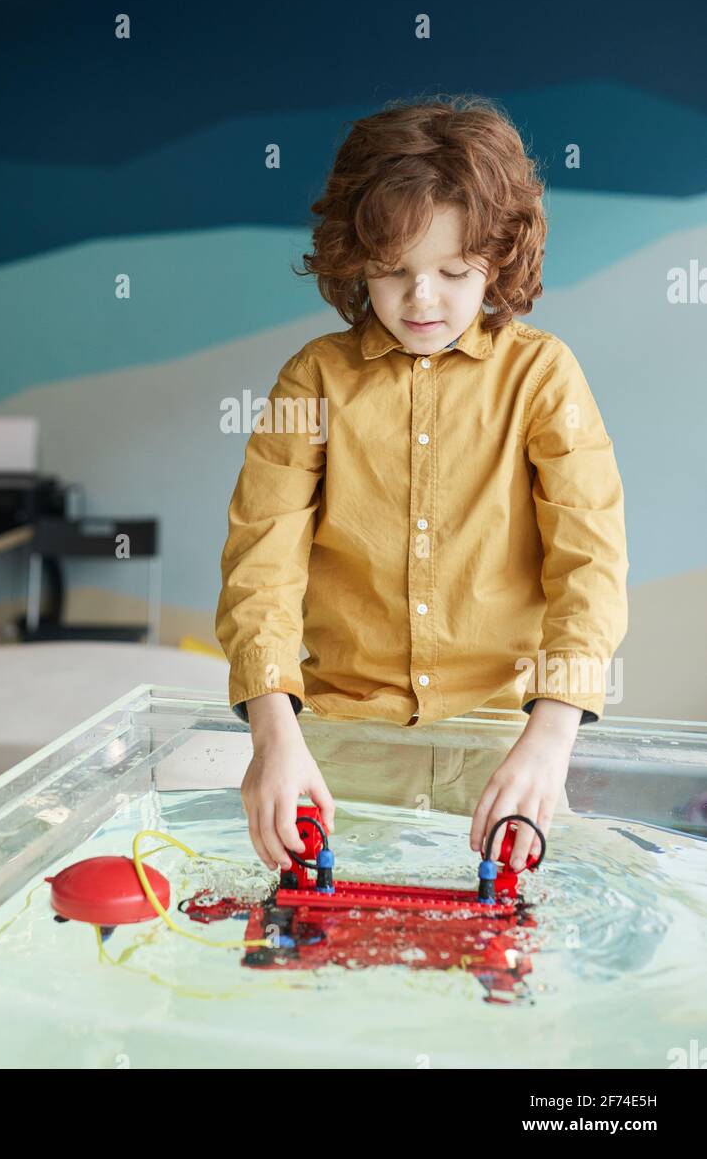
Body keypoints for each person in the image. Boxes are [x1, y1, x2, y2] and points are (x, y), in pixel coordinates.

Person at [215, 94, 628, 878]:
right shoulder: (313, 378)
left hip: (512, 745)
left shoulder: (543, 375)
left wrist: (549, 742)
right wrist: (273, 737)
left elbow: (591, 569)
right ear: (353, 259)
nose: (422, 299)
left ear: (498, 259)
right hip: (339, 746)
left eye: (453, 270)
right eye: (394, 271)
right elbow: (259, 568)